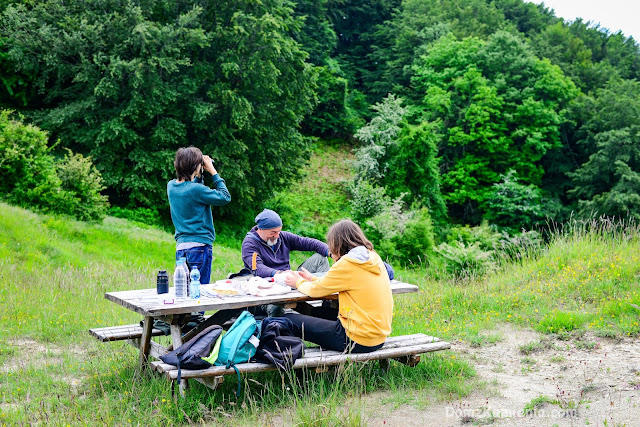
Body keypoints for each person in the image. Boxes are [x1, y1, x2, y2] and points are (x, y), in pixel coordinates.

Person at [283, 219, 393, 353]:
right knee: (319, 312)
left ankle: (293, 362)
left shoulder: (347, 263)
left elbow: (315, 291)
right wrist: (312, 278)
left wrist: (297, 282)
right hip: (378, 338)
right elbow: (335, 282)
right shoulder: (373, 257)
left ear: (337, 244)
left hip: (356, 339)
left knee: (288, 319)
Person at [167, 146, 231, 284]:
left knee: (184, 291)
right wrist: (213, 171)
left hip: (181, 249)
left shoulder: (171, 186)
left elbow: (191, 190)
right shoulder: (196, 190)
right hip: (200, 247)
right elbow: (225, 197)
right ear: (195, 166)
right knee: (199, 293)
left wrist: (199, 174)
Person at [241, 209, 331, 278]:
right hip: (268, 283)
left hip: (289, 279)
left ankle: (327, 300)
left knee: (320, 258)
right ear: (260, 230)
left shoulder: (283, 237)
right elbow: (257, 268)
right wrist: (280, 274)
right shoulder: (250, 244)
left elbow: (311, 243)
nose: (277, 236)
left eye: (279, 231)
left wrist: (332, 252)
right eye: (273, 232)